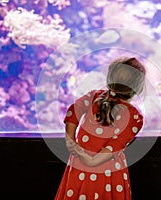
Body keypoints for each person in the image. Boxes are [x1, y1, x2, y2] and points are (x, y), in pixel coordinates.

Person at [55, 57, 146, 200]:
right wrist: (92, 160)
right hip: (109, 173)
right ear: (137, 88)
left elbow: (73, 112)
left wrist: (70, 141)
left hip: (80, 165)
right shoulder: (135, 117)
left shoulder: (93, 97)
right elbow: (115, 145)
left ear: (109, 79)